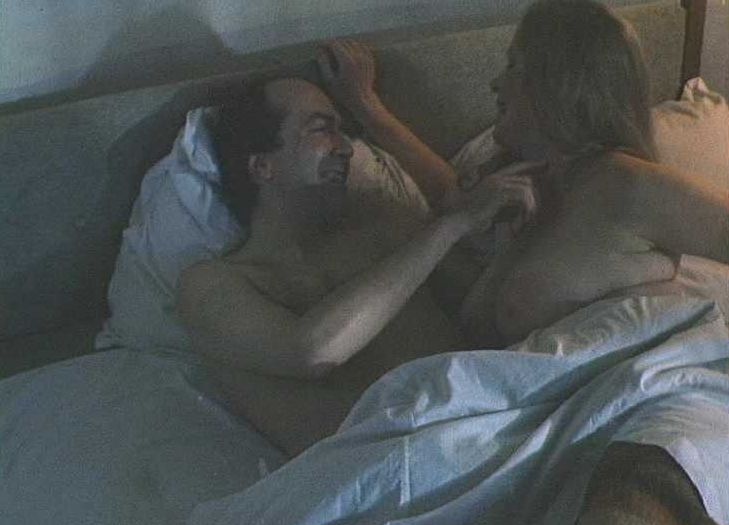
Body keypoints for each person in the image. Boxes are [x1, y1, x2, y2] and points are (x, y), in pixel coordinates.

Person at [319, 1, 728, 349]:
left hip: (638, 398)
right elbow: (453, 198)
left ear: (559, 83)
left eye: (514, 65)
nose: (495, 83)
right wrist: (366, 106)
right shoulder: (530, 183)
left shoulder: (625, 184)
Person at [176, 77, 535, 457]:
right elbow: (309, 351)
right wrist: (451, 226)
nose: (347, 148)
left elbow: (486, 323)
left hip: (489, 434)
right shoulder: (211, 284)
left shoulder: (386, 229)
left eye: (343, 132)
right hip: (377, 473)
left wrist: (513, 239)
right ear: (263, 166)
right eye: (321, 129)